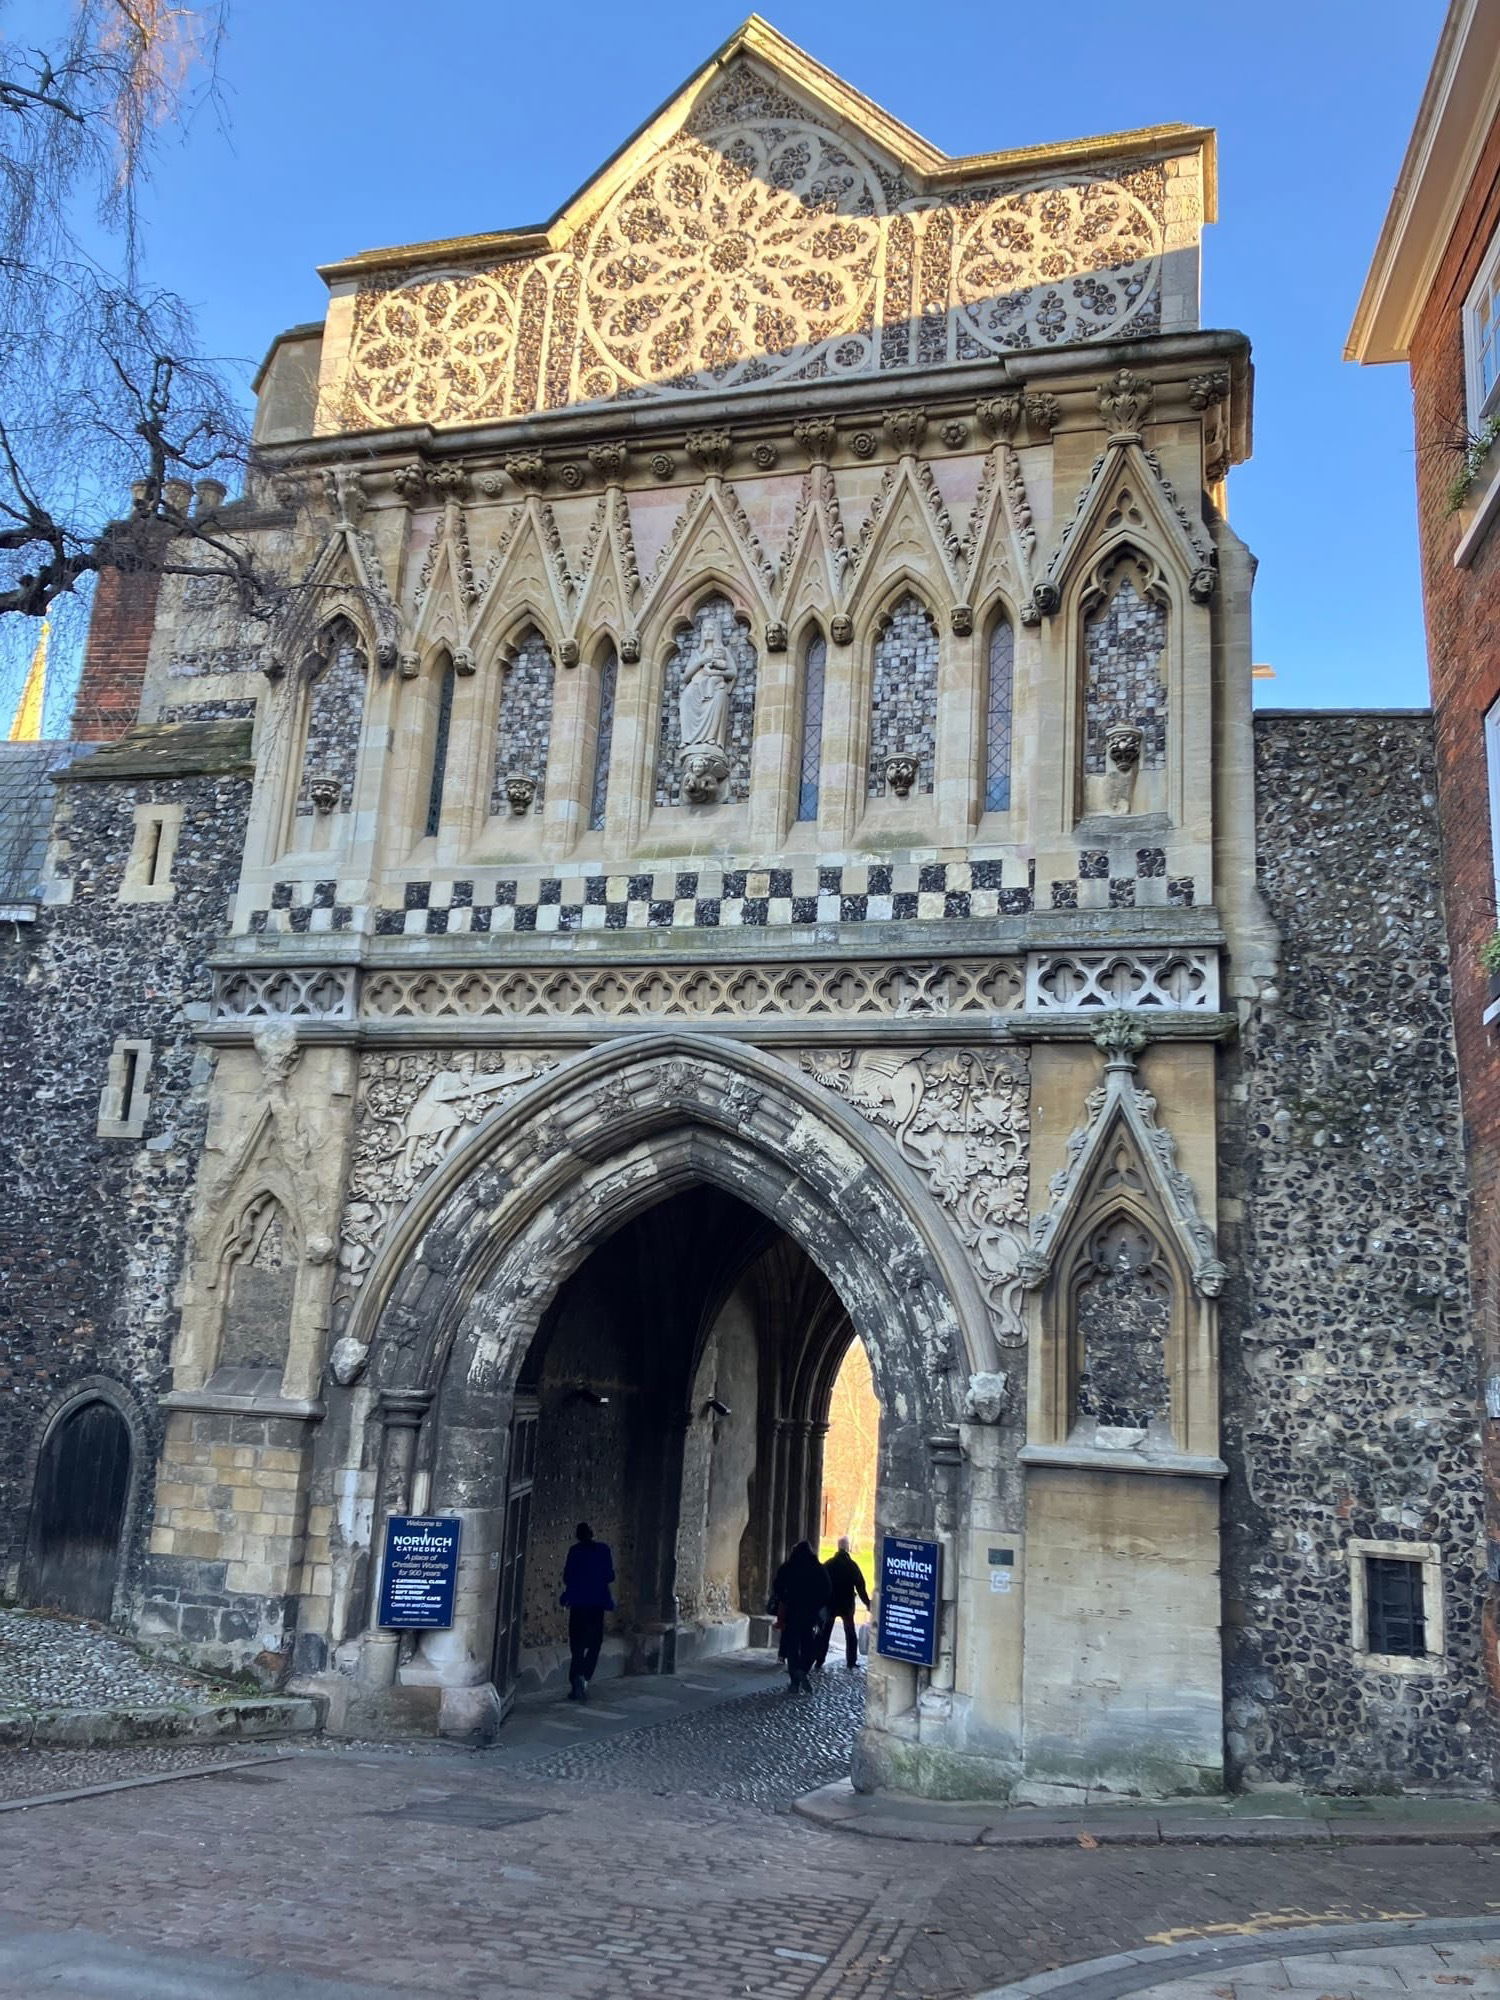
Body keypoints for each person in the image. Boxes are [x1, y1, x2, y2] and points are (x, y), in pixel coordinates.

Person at [559, 1521, 615, 1701]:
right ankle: (584, 1676)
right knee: (595, 1643)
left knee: (577, 1645)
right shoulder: (603, 1550)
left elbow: (567, 1576)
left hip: (578, 1604)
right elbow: (609, 1575)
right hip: (596, 1603)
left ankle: (576, 1678)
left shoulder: (575, 1552)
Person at [768, 1540, 828, 1694]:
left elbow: (777, 1586)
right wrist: (816, 1605)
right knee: (809, 1645)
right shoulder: (817, 1569)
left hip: (791, 1612)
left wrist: (785, 1598)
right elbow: (827, 1589)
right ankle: (803, 1670)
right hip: (810, 1613)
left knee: (792, 1647)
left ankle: (795, 1680)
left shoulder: (788, 1567)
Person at [815, 1536, 870, 1671]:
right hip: (847, 1605)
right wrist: (867, 1603)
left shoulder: (829, 1564)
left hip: (831, 1604)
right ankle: (851, 1661)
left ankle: (819, 1659)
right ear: (847, 1548)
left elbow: (820, 1583)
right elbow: (860, 1586)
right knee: (850, 1633)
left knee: (825, 1632)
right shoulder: (852, 1566)